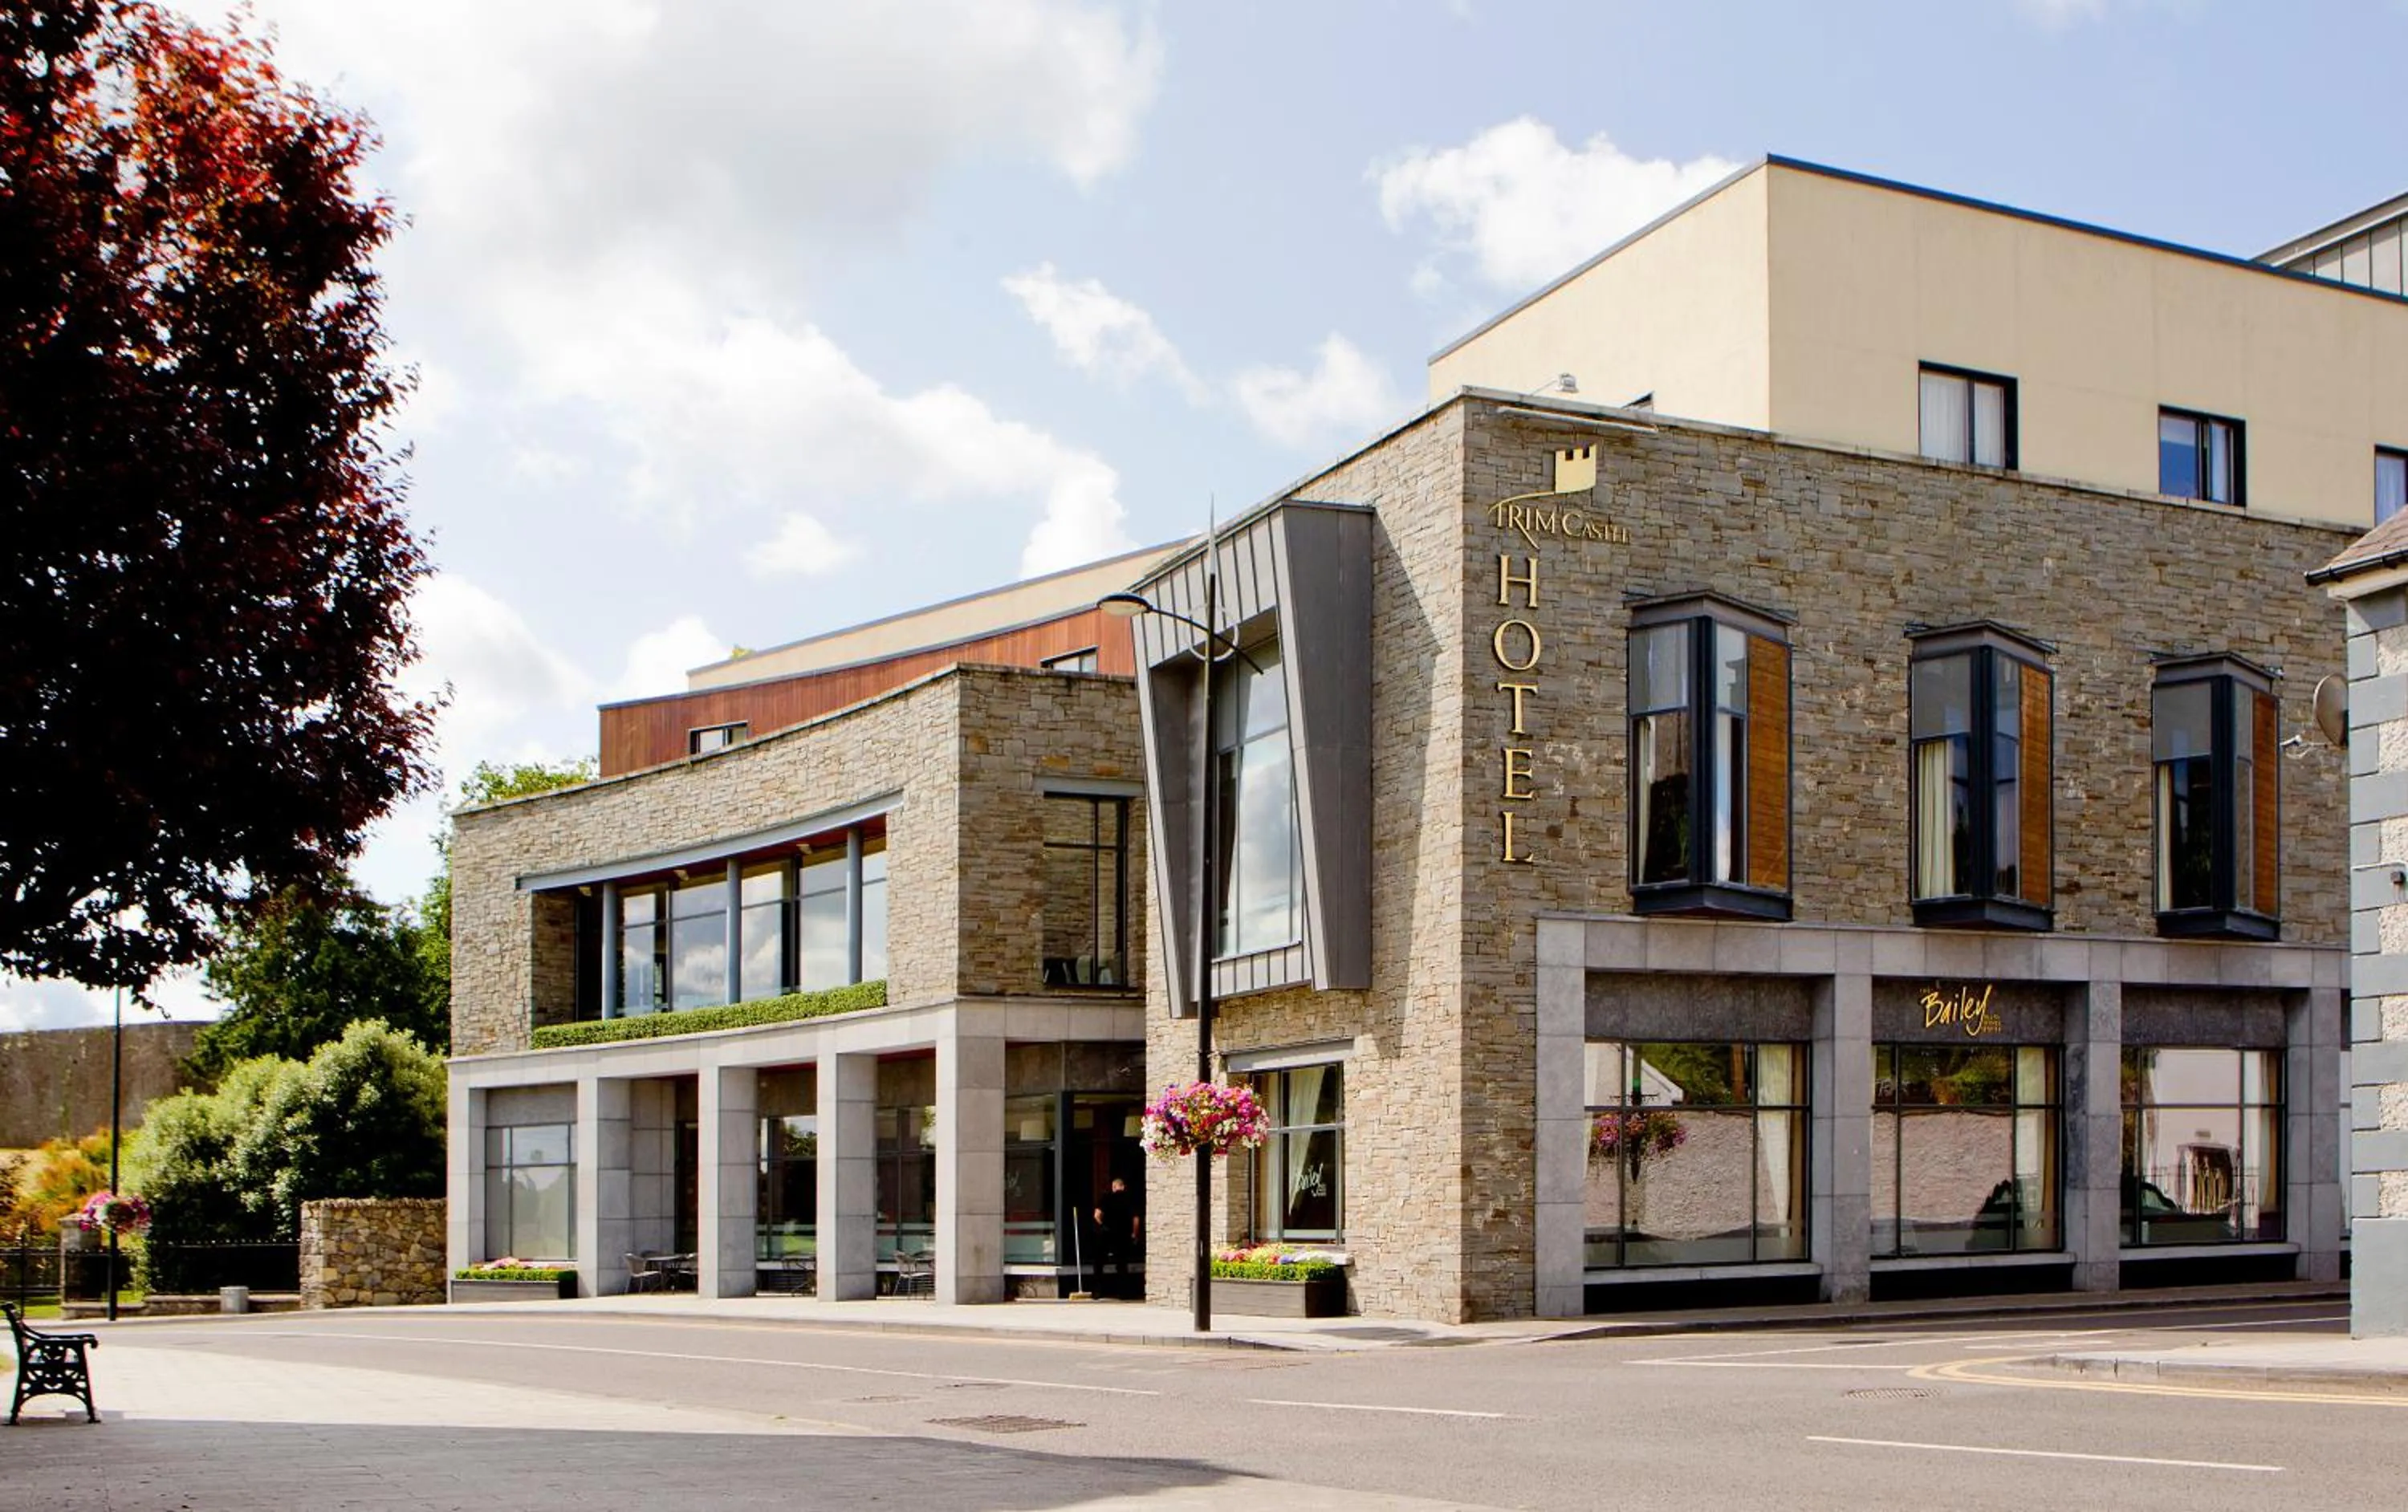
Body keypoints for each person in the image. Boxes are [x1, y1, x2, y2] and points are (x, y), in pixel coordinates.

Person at [1092, 1176, 1141, 1300]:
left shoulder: (1106, 1197)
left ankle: (1098, 1291)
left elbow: (1097, 1215)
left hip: (1107, 1233)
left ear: (1114, 1187)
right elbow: (1136, 1220)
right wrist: (1135, 1234)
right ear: (1123, 1187)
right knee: (1122, 1263)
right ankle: (1123, 1292)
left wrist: (1103, 1226)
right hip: (1123, 1234)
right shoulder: (1130, 1199)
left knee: (1099, 1262)